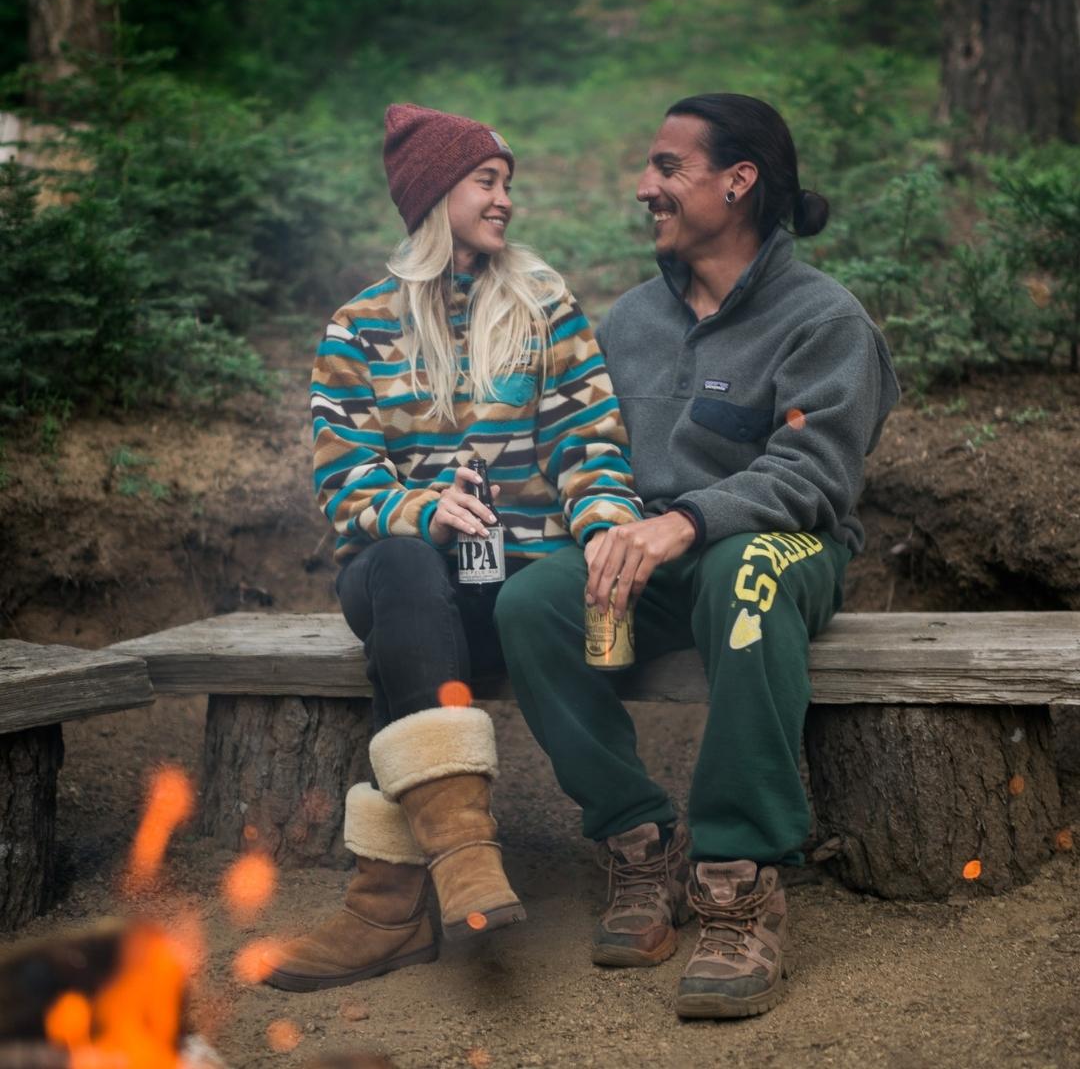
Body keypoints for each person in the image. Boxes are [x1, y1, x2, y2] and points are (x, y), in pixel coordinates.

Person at [495, 93, 900, 1020]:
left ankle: (738, 877)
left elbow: (817, 472)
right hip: (651, 553)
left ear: (739, 181)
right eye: (650, 171)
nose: (646, 188)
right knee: (532, 604)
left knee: (742, 575)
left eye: (668, 169)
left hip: (782, 547)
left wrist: (686, 520)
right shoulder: (630, 322)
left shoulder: (824, 318)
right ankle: (639, 842)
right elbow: (585, 449)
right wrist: (594, 521)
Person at [264, 104, 644, 992]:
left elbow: (591, 448)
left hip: (516, 591)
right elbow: (345, 481)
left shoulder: (544, 304)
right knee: (401, 570)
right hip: (406, 581)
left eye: (508, 181)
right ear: (437, 191)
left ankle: (387, 908)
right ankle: (466, 855)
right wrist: (423, 511)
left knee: (410, 653)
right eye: (486, 179)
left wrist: (604, 540)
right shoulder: (359, 326)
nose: (505, 197)